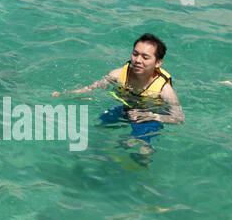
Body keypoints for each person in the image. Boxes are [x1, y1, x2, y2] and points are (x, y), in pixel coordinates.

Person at [53, 33, 184, 145]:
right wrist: (65, 94)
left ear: (158, 62)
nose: (138, 60)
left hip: (149, 117)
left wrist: (153, 116)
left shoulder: (164, 90)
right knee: (98, 128)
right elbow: (91, 88)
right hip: (124, 109)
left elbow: (178, 118)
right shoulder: (117, 74)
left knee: (141, 148)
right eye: (135, 54)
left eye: (145, 57)